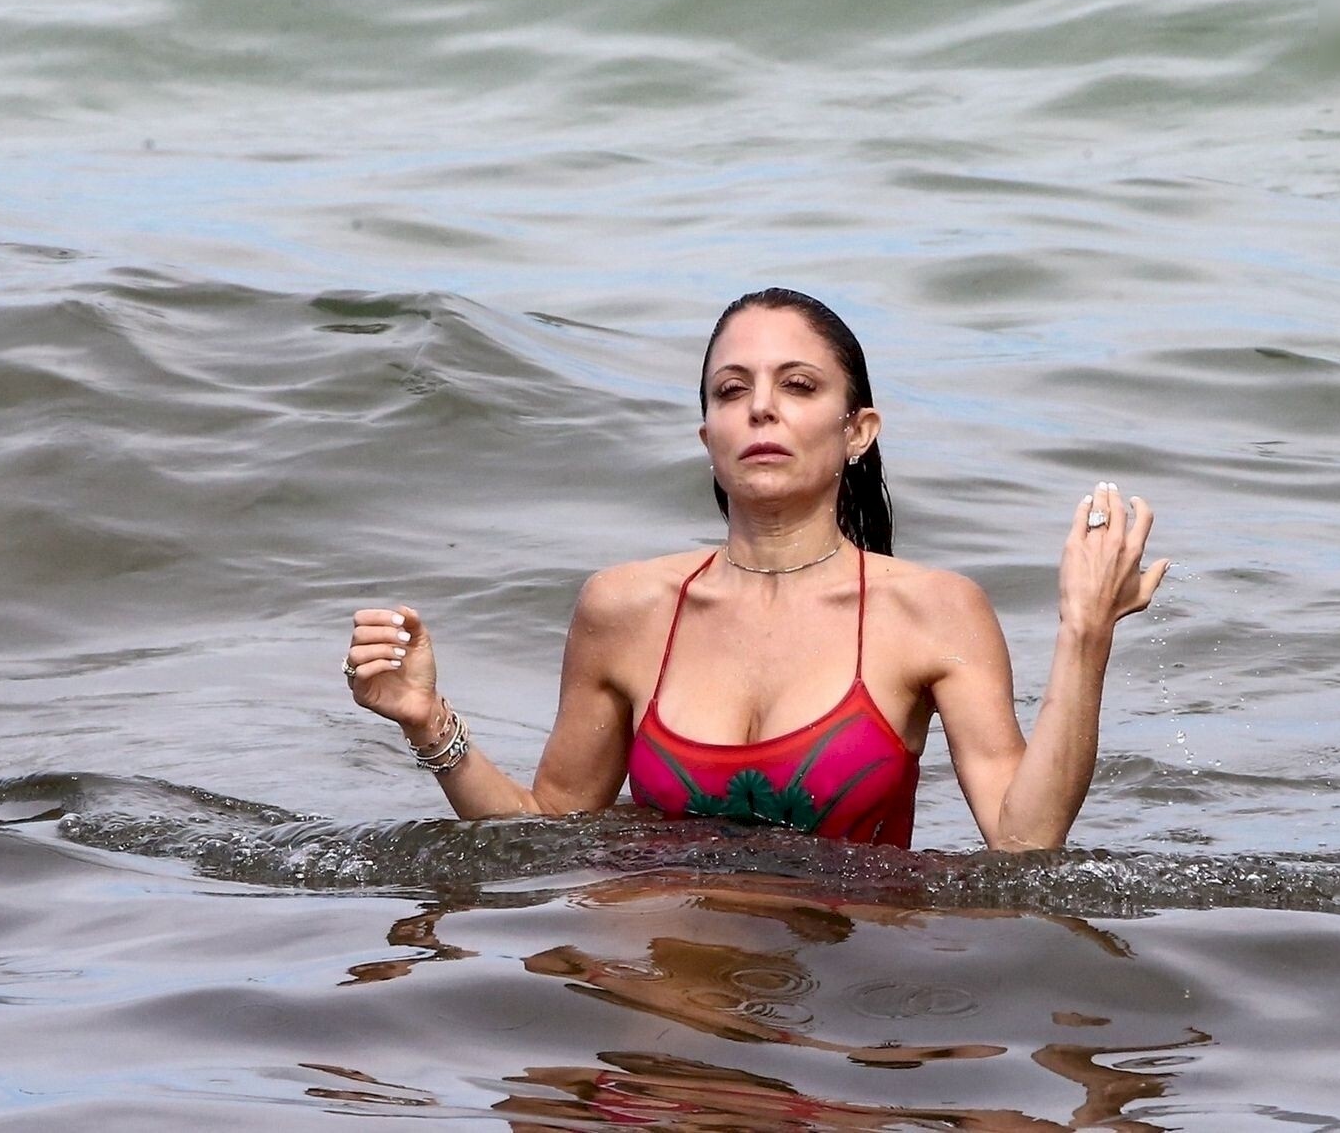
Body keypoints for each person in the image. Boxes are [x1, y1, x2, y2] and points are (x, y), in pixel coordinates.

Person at [343, 288, 1168, 850]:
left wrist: (1085, 634)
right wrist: (429, 724)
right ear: (709, 437)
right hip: (659, 1003)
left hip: (843, 1007)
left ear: (858, 431)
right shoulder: (624, 609)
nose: (761, 407)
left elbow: (1024, 841)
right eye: (731, 391)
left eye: (798, 386)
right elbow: (545, 835)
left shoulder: (933, 612)